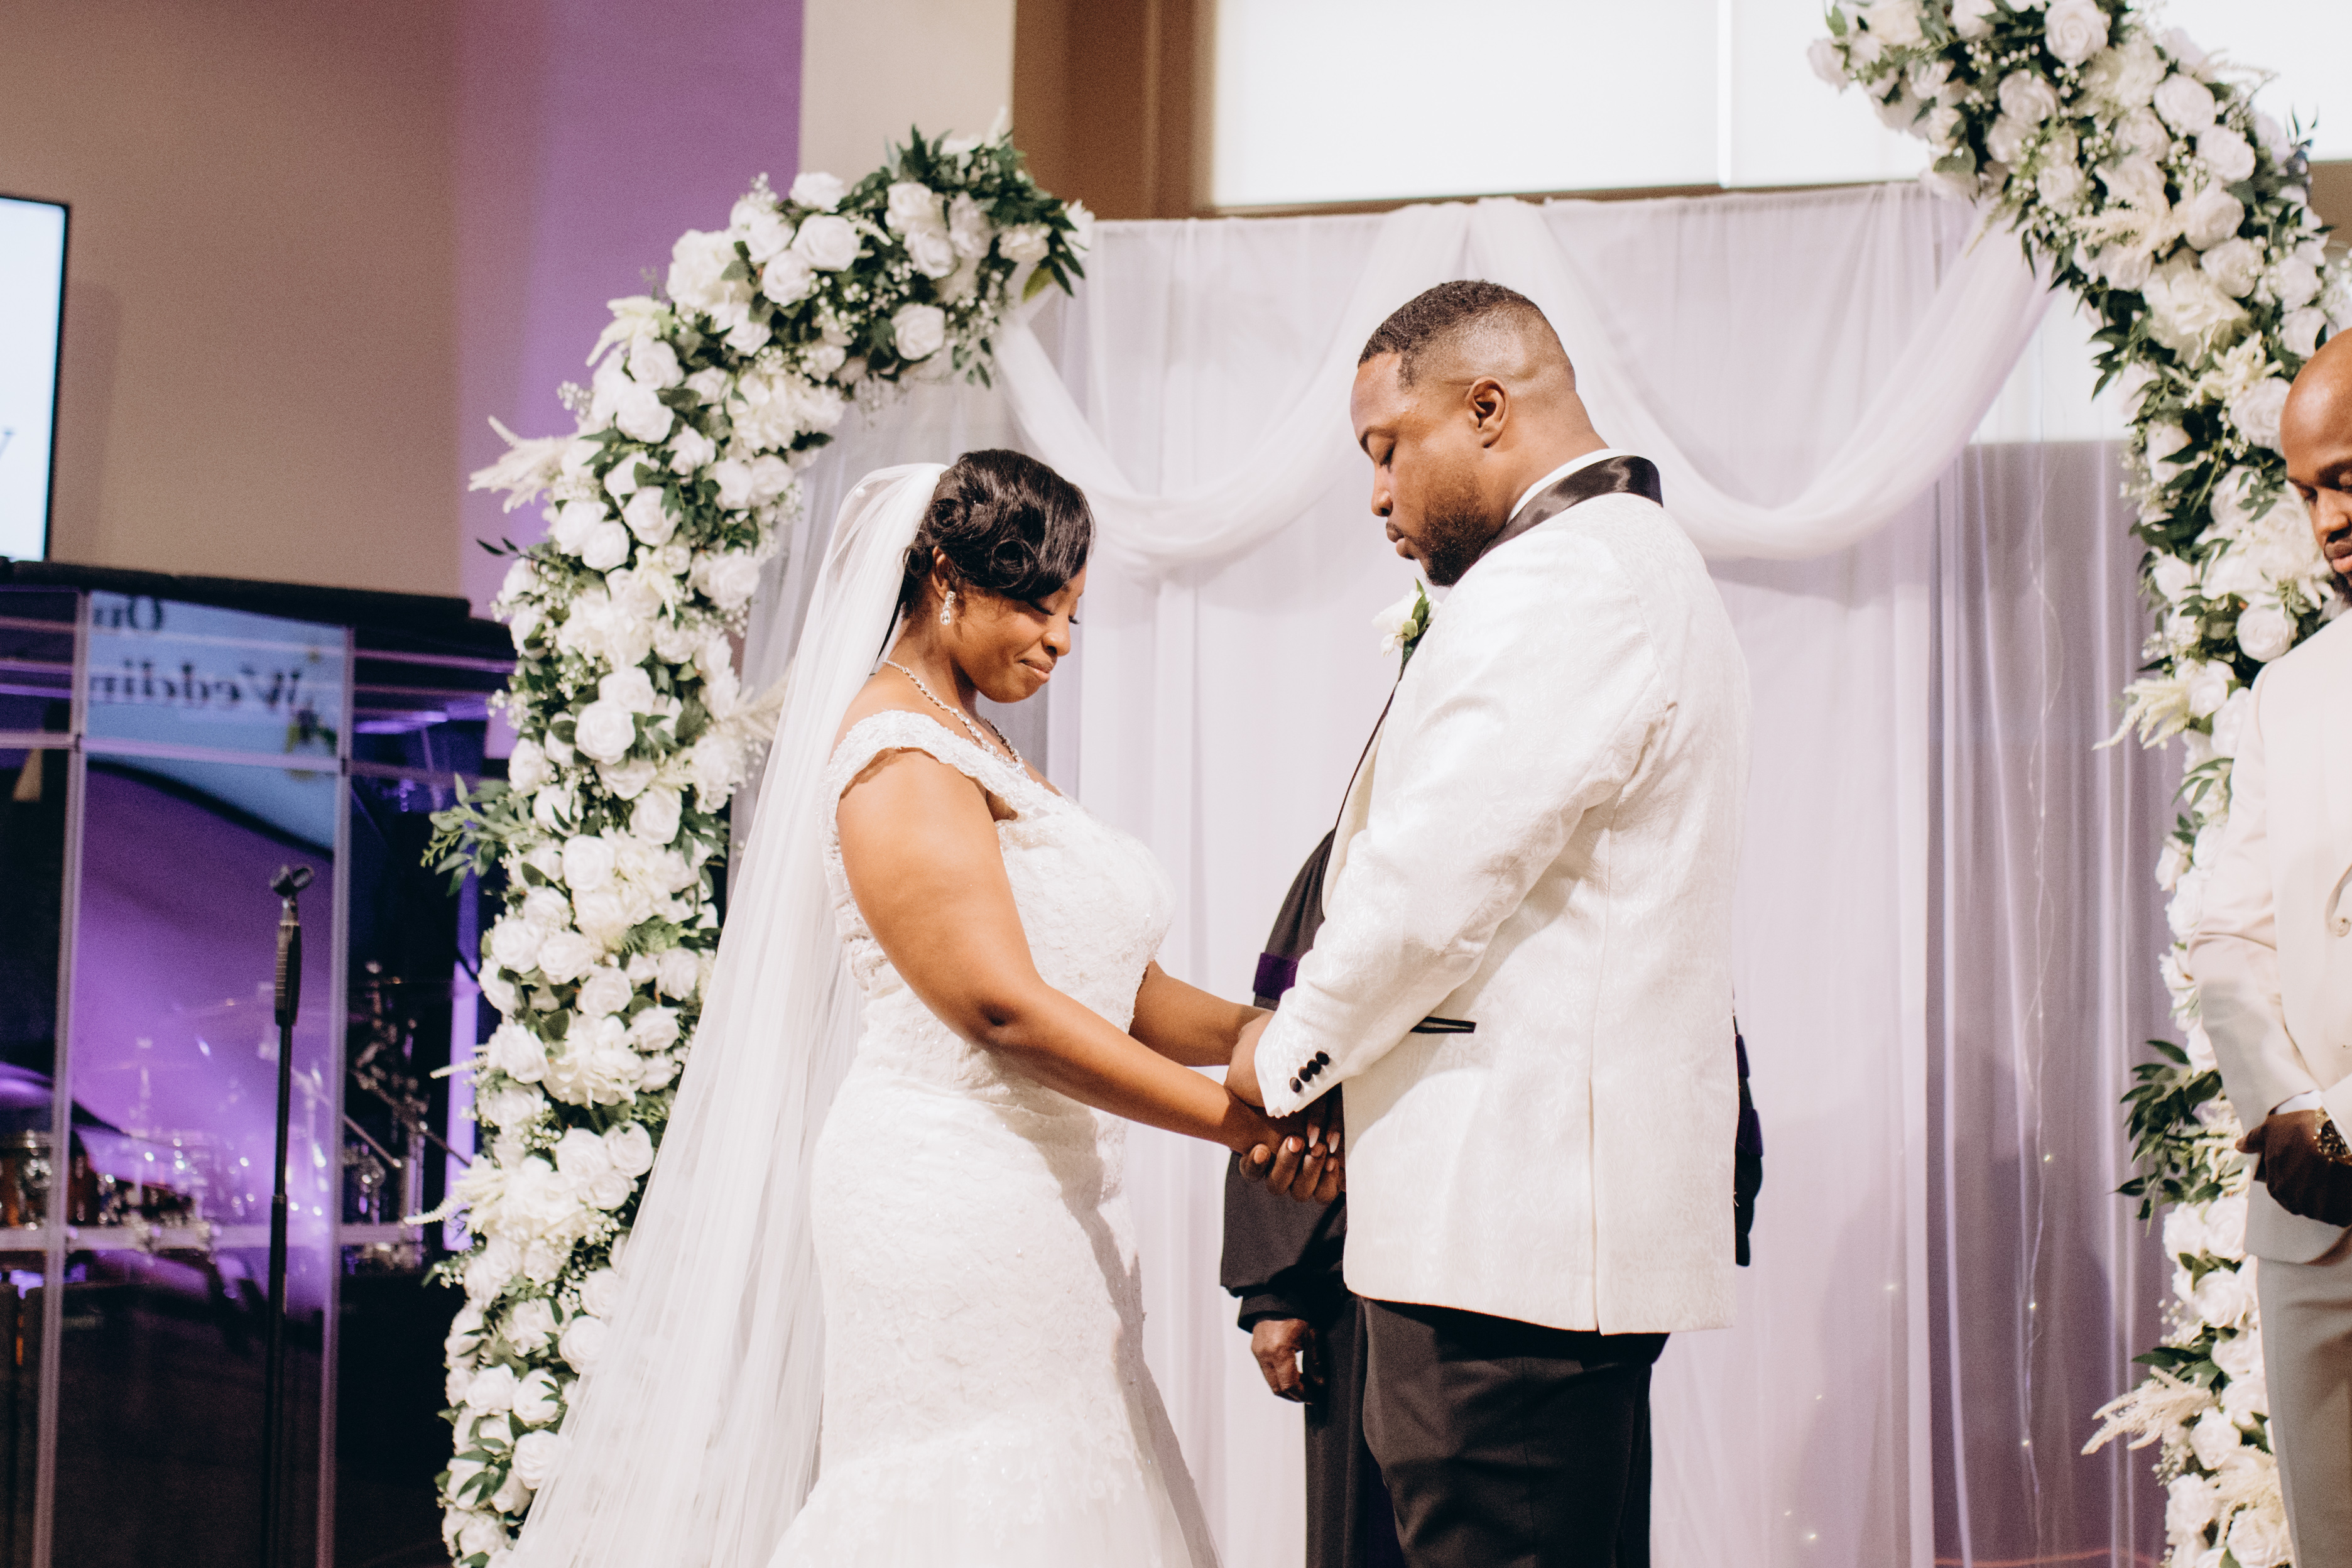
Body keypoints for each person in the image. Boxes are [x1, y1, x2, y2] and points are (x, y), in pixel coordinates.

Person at [512, 452, 1331, 1568]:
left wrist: (1258, 1039)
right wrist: (1242, 1126)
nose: (1060, 641)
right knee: (971, 1496)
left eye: (1074, 615)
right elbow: (1001, 1009)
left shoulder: (975, 739)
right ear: (947, 577)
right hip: (951, 1188)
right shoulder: (898, 751)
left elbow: (1116, 987)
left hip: (1053, 1194)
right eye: (1039, 605)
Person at [1228, 280, 1753, 1567]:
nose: (1377, 495)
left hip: (1502, 1239)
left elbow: (1425, 894)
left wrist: (1285, 1060)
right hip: (1542, 1237)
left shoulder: (1564, 583)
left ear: (1485, 407)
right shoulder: (1635, 563)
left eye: (1386, 447)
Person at [2189, 328, 2352, 1567]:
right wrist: (2288, 1108)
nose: (2327, 521)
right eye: (2307, 492)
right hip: (2314, 1222)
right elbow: (2228, 931)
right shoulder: (2288, 693)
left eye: (2345, 477)